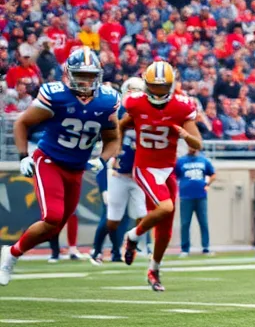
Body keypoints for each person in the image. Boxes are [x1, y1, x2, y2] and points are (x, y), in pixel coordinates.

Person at [1, 49, 120, 285]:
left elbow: (113, 137)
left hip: (77, 168)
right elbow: (22, 123)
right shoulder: (55, 95)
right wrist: (24, 156)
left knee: (56, 225)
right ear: (69, 74)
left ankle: (12, 250)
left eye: (90, 75)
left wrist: (103, 159)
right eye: (81, 75)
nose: (86, 81)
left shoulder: (107, 99)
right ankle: (11, 255)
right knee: (52, 217)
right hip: (49, 161)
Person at [119, 62, 204, 292]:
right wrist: (114, 149)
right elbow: (119, 125)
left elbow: (198, 143)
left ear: (171, 85)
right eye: (154, 87)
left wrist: (186, 135)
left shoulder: (181, 106)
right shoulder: (134, 102)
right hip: (145, 166)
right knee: (165, 208)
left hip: (167, 169)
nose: (157, 92)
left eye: (162, 87)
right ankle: (133, 236)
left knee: (165, 230)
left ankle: (154, 269)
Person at [93, 77, 145, 265]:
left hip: (135, 174)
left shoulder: (144, 114)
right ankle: (97, 250)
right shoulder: (117, 112)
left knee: (139, 216)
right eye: (131, 90)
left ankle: (121, 249)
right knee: (109, 218)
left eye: (138, 90)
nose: (134, 94)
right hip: (114, 171)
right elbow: (106, 148)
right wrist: (104, 186)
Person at [175, 143, 215, 256]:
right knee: (185, 223)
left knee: (203, 222)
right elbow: (175, 175)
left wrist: (207, 184)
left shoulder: (203, 160)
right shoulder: (181, 161)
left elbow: (213, 174)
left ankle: (206, 247)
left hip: (201, 196)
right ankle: (185, 249)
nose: (192, 148)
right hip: (186, 197)